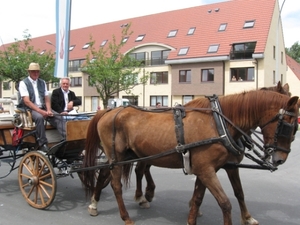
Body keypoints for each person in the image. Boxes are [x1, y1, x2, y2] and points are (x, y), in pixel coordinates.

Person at [18, 62, 55, 152]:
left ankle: (65, 138)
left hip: (42, 107)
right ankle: (42, 143)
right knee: (39, 118)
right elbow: (26, 101)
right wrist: (41, 111)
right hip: (30, 109)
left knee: (57, 116)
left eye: (37, 71)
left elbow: (46, 99)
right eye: (34, 71)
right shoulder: (23, 83)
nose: (36, 73)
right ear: (29, 72)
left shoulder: (42, 82)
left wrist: (49, 110)